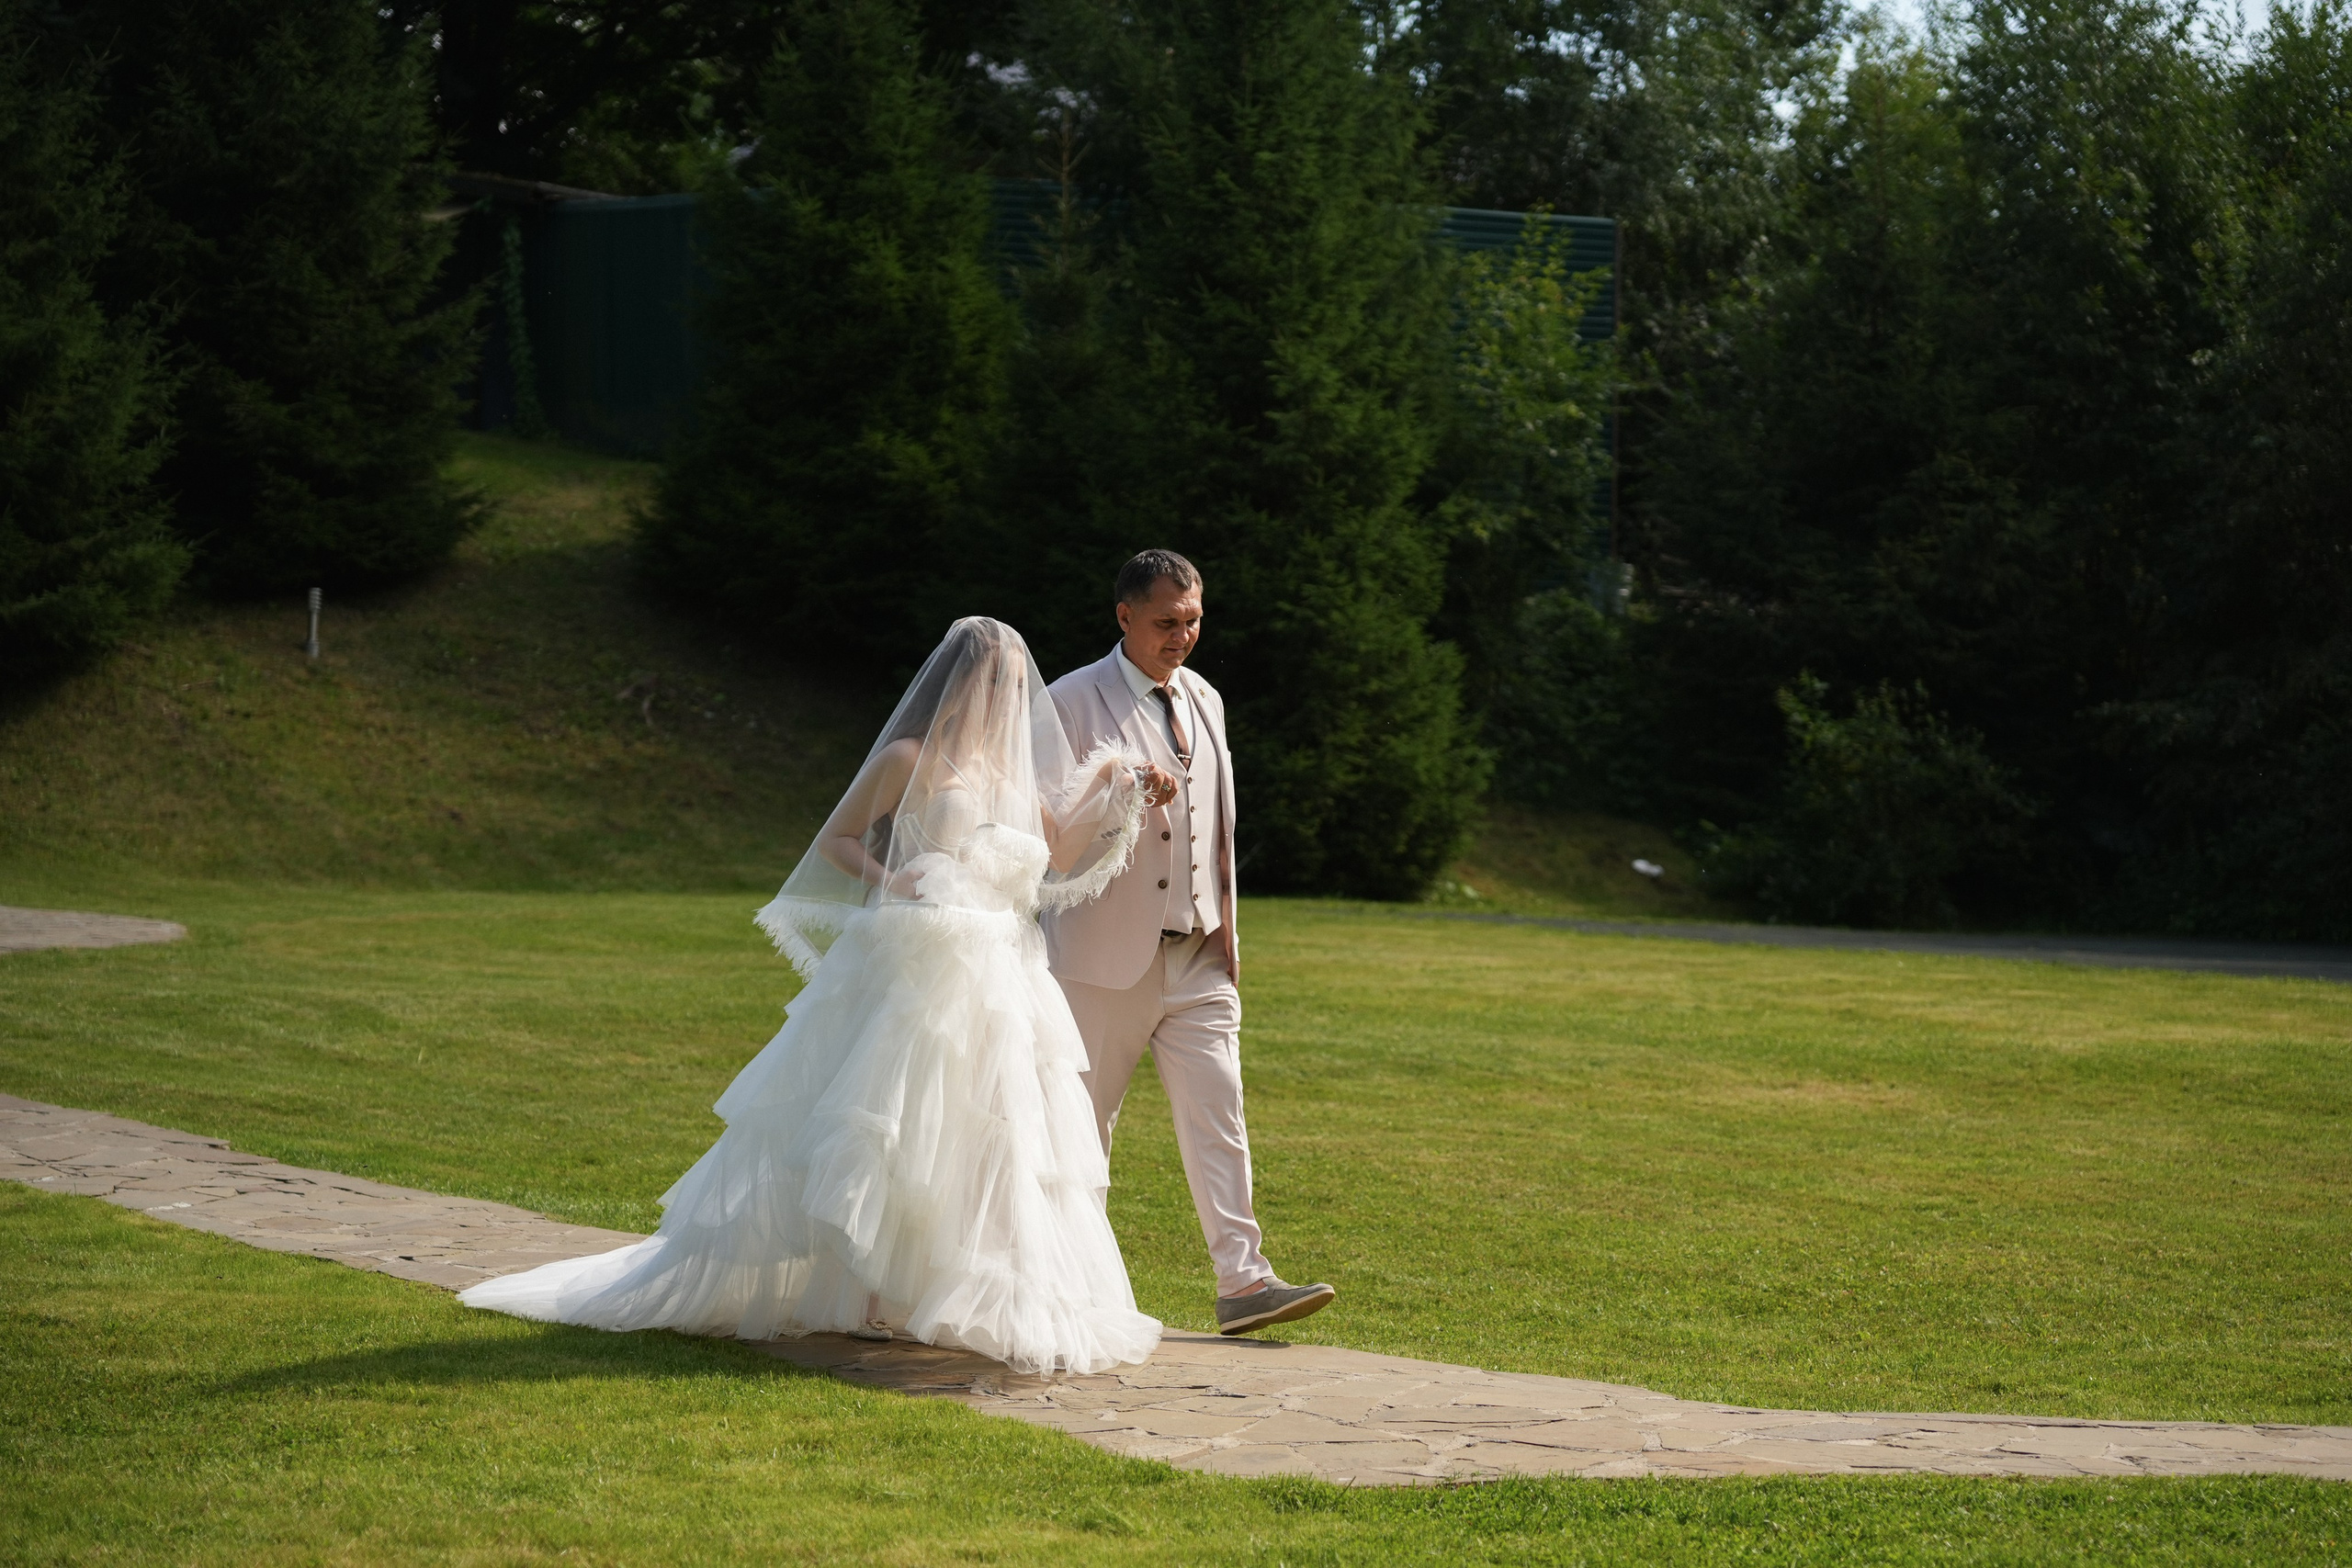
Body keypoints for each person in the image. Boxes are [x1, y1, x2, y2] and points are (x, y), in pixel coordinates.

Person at [458, 618, 1166, 1375]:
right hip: (926, 966)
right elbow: (839, 839)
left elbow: (1056, 852)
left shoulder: (1014, 771)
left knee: (984, 1126)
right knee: (893, 1122)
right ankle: (865, 1294)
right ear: (960, 683)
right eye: (996, 679)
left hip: (1004, 968)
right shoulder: (907, 758)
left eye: (1014, 682)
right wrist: (898, 883)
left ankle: (935, 1287)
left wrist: (1115, 787)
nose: (1009, 694)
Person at [1044, 550, 1336, 1336]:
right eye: (1168, 621)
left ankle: (1244, 1282)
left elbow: (1219, 827)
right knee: (1082, 1128)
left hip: (1200, 950)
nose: (1184, 635)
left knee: (1221, 1114)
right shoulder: (1070, 700)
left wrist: (1228, 934)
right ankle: (1073, 1289)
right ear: (1124, 617)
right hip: (1102, 957)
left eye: (1195, 618)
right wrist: (1121, 790)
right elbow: (1048, 838)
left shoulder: (1205, 697)